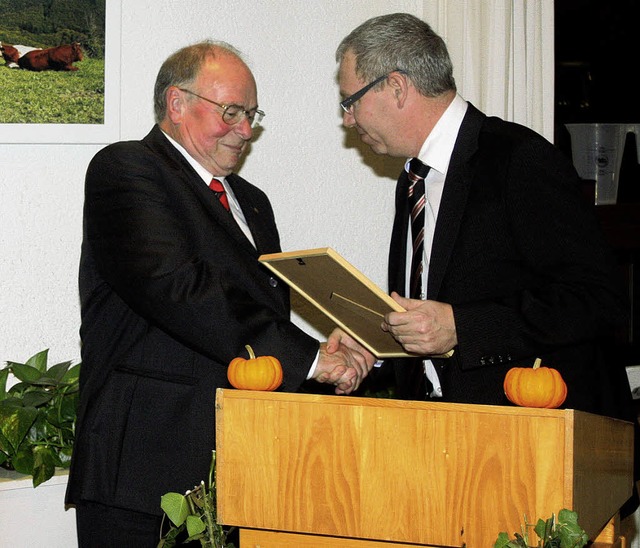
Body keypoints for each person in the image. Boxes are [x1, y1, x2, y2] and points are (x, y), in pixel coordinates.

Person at [65, 40, 375, 547]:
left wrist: (329, 358)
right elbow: (180, 290)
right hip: (143, 477)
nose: (246, 130)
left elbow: (255, 321)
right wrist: (312, 359)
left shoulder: (253, 204)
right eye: (231, 111)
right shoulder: (127, 169)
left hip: (242, 473)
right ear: (176, 103)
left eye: (252, 114)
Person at [336, 12, 639, 512]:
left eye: (351, 101)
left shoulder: (519, 160)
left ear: (395, 86)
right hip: (446, 448)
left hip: (530, 458)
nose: (348, 118)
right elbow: (434, 317)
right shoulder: (414, 178)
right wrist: (373, 342)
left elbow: (599, 300)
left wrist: (464, 327)